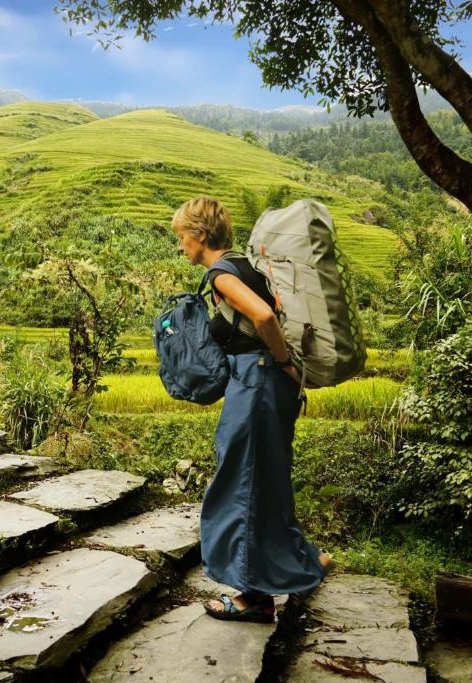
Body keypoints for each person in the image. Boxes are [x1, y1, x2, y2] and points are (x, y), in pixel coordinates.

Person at [172, 196, 333, 623]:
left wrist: (282, 361)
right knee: (266, 479)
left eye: (183, 238)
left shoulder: (223, 274)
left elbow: (264, 317)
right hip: (268, 385)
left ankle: (253, 597)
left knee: (241, 483)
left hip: (258, 383)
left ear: (201, 236)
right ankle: (303, 563)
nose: (181, 246)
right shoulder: (248, 265)